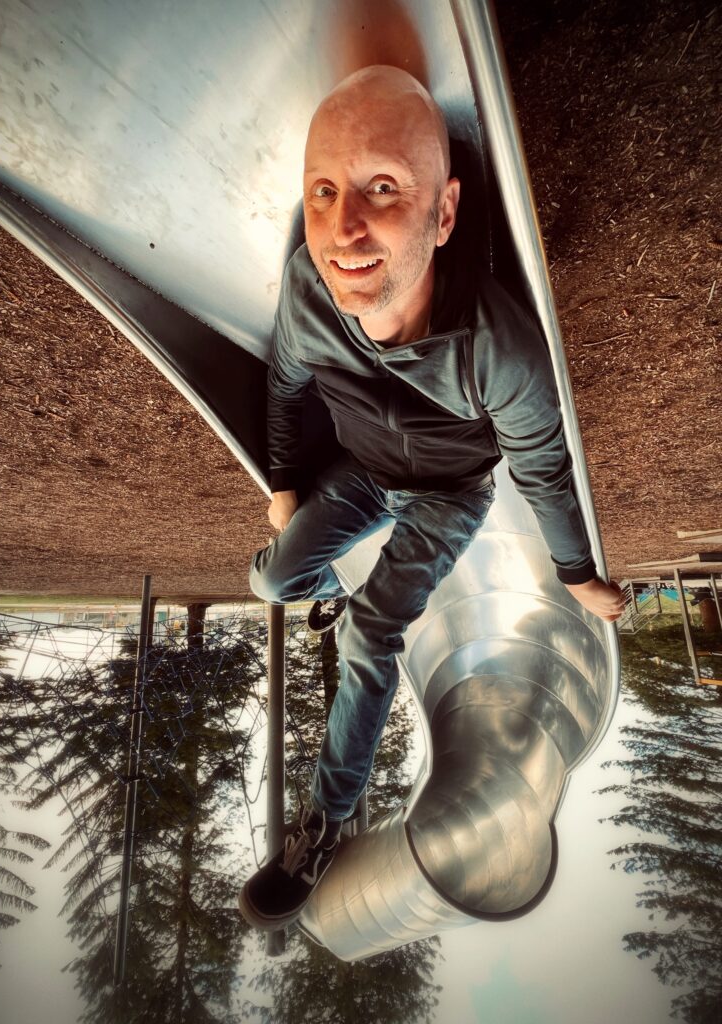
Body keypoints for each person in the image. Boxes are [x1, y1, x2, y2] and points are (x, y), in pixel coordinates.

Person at [238, 65, 625, 932]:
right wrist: (284, 482)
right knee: (270, 582)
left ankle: (326, 825)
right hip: (360, 477)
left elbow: (543, 468)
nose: (344, 227)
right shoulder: (310, 287)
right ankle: (330, 593)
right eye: (325, 191)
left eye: (385, 189)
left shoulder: (497, 351)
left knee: (380, 633)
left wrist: (573, 572)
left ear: (444, 213)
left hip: (447, 496)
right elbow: (285, 385)